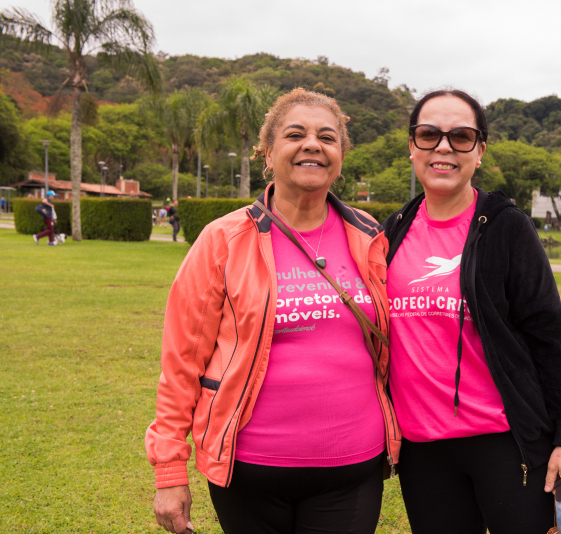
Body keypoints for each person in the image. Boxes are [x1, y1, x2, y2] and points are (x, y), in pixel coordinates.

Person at [146, 88, 400, 534]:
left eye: (327, 137)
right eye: (295, 134)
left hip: (352, 468)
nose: (312, 145)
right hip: (249, 469)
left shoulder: (370, 236)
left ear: (340, 156)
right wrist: (169, 470)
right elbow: (182, 360)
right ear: (268, 153)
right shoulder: (223, 239)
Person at [381, 89, 561, 534]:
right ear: (412, 146)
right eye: (429, 134)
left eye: (461, 137)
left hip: (503, 440)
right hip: (422, 447)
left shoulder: (506, 226)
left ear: (480, 151)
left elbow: (548, 336)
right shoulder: (391, 232)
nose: (443, 147)